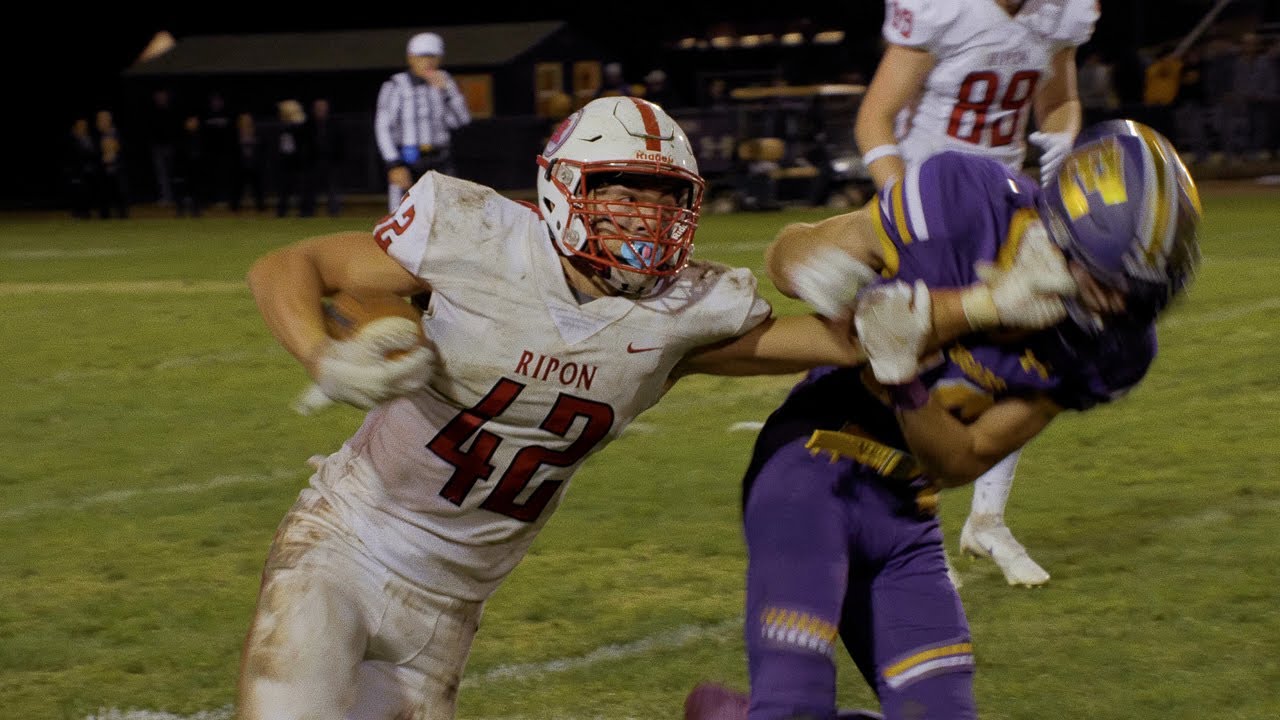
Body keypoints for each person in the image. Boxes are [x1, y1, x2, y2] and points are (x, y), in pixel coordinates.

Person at [237, 96, 1068, 720]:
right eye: (620, 191)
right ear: (562, 189)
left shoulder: (684, 314)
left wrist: (989, 299)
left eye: (663, 197)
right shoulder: (476, 236)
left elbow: (853, 338)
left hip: (453, 599)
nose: (643, 217)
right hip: (346, 543)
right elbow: (290, 265)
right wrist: (326, 352)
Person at [686, 119, 1203, 720]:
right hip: (811, 466)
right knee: (793, 705)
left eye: (1142, 293)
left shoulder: (1115, 350)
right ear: (1061, 232)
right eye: (1110, 283)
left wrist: (905, 380)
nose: (1122, 307)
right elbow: (788, 255)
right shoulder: (964, 202)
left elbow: (963, 459)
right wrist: (817, 269)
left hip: (908, 507)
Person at [852, 0, 1100, 587]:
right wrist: (905, 207)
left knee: (1023, 363)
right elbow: (875, 118)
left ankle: (987, 519)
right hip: (929, 205)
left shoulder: (1058, 12)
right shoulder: (943, 8)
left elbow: (1058, 102)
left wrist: (1060, 143)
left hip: (1005, 214)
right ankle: (905, 528)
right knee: (916, 369)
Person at [375, 31, 472, 211]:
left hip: (440, 158)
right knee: (402, 215)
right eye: (422, 56)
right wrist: (393, 164)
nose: (427, 61)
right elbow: (383, 128)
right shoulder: (396, 85)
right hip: (408, 159)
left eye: (432, 56)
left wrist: (448, 92)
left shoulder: (445, 83)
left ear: (439, 58)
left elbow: (461, 121)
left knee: (447, 215)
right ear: (410, 58)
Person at [274, 99, 315, 218]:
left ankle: (305, 211)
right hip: (286, 162)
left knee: (302, 189)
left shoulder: (303, 124)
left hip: (300, 163)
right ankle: (282, 211)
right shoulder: (283, 125)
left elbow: (305, 144)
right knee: (284, 188)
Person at [310, 98, 346, 217]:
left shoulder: (334, 124)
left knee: (333, 189)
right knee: (311, 189)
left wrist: (339, 159)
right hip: (314, 162)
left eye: (323, 107)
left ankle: (334, 213)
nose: (321, 110)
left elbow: (341, 143)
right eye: (318, 108)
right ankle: (307, 213)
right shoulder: (309, 124)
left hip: (332, 162)